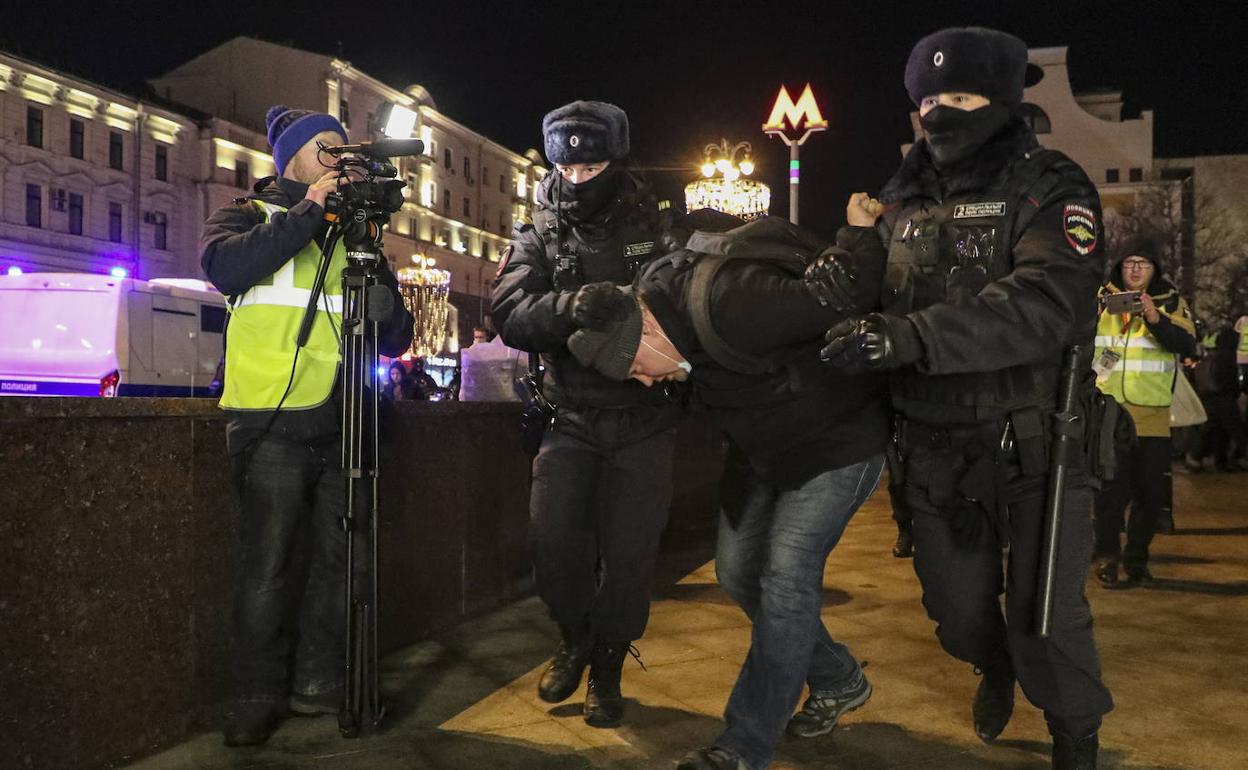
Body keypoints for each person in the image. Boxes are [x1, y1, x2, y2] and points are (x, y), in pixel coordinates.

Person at [816, 28, 1113, 769]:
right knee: (956, 615)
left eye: (963, 97)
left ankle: (1075, 734)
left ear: (1002, 101)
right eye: (930, 99)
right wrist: (844, 258)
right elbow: (869, 289)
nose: (943, 113)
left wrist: (911, 337)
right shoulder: (901, 197)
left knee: (1046, 616)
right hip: (932, 442)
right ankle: (993, 664)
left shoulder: (1048, 182)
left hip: (1037, 436)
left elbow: (1047, 302)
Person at [564, 214, 889, 770]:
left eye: (637, 368)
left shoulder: (732, 301)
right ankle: (837, 677)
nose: (643, 381)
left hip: (839, 438)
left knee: (786, 579)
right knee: (736, 572)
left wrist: (857, 233)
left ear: (646, 332)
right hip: (763, 448)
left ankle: (743, 746)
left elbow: (846, 290)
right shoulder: (672, 338)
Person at [200, 104, 413, 746]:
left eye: (345, 151)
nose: (341, 162)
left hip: (347, 417)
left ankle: (320, 682)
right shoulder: (245, 213)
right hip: (270, 418)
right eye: (327, 150)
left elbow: (395, 339)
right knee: (265, 566)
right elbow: (226, 269)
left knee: (340, 562)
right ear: (290, 159)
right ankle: (254, 695)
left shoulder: (359, 235)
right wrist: (308, 211)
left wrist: (384, 304)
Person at [490, 100, 682, 728]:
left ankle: (606, 668)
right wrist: (571, 306)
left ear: (616, 159)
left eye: (591, 163)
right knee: (552, 546)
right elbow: (508, 313)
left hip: (644, 420)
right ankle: (572, 634)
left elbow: (690, 303)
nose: (576, 178)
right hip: (567, 419)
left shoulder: (657, 224)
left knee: (629, 562)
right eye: (566, 166)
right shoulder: (538, 231)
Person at [1092, 236, 1196, 585]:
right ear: (1119, 268)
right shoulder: (1099, 300)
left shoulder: (1172, 302)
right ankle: (1106, 557)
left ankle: (1137, 559)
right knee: (1109, 494)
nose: (1135, 269)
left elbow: (1186, 344)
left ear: (1155, 269)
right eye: (1129, 262)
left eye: (1143, 263)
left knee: (1149, 494)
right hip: (1109, 413)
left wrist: (1154, 317)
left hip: (1151, 414)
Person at [1190, 326, 1246, 472]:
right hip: (1224, 398)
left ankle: (1197, 458)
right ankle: (1229, 460)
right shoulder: (1228, 356)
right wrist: (1236, 392)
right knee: (1237, 430)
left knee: (1213, 429)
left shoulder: (1213, 355)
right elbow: (1229, 380)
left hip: (1209, 397)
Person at [459, 325, 528, 402]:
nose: (478, 340)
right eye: (476, 337)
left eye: (481, 337)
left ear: (487, 338)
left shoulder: (496, 353)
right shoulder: (471, 354)